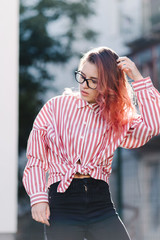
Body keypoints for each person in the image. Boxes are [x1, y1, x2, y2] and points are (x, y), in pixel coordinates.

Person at [23, 46, 160, 240]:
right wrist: (38, 198)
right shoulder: (55, 108)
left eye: (94, 81)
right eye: (82, 76)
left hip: (100, 202)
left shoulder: (117, 118)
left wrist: (138, 79)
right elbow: (36, 158)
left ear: (108, 84)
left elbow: (153, 125)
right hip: (62, 203)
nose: (84, 85)